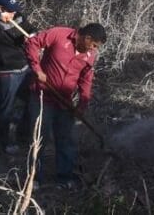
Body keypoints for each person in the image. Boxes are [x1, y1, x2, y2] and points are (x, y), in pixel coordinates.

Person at [24, 22, 107, 188]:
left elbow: (86, 80)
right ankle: (33, 178)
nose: (93, 49)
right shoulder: (59, 34)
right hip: (42, 97)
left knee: (66, 139)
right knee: (39, 138)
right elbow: (32, 43)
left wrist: (82, 104)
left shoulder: (90, 55)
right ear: (87, 37)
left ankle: (64, 177)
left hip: (64, 103)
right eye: (93, 45)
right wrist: (37, 69)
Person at [0, 0, 35, 154]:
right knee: (6, 108)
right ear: (1, 9)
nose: (13, 14)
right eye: (9, 12)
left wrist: (32, 37)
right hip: (6, 71)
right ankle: (2, 141)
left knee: (31, 101)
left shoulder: (18, 16)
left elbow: (31, 29)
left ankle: (24, 135)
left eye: (14, 11)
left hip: (24, 68)